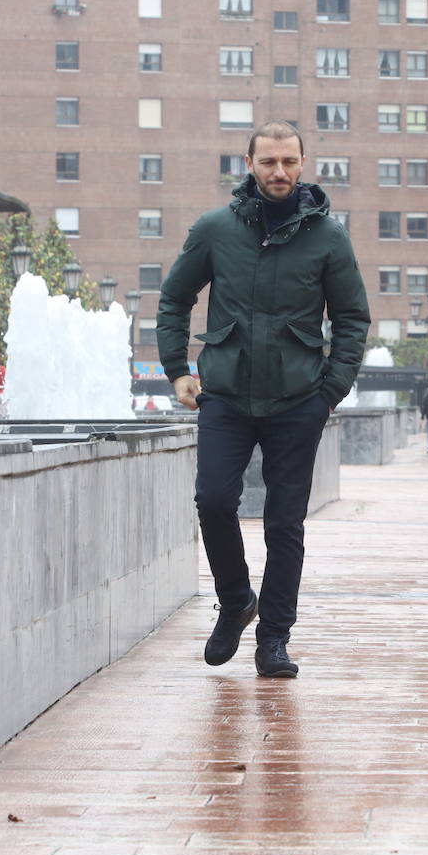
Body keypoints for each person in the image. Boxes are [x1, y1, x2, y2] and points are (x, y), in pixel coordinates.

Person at [157, 120, 370, 679]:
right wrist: (178, 370)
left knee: (284, 524)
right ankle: (235, 602)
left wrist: (330, 390)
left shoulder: (329, 236)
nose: (279, 172)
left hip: (299, 399)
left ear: (303, 165)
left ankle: (274, 637)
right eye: (269, 162)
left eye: (289, 162)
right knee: (214, 501)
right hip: (225, 394)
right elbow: (174, 299)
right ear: (248, 164)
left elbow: (351, 318)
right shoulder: (214, 229)